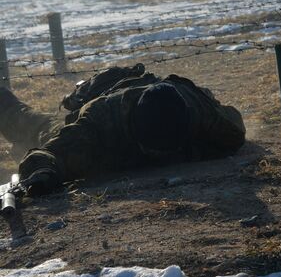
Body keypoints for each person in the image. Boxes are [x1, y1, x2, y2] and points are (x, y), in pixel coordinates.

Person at [0, 63, 246, 195]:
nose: (158, 157)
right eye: (152, 147)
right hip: (102, 101)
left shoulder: (202, 113)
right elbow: (49, 154)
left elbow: (235, 131)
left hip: (157, 90)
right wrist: (43, 172)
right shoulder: (98, 121)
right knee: (36, 125)